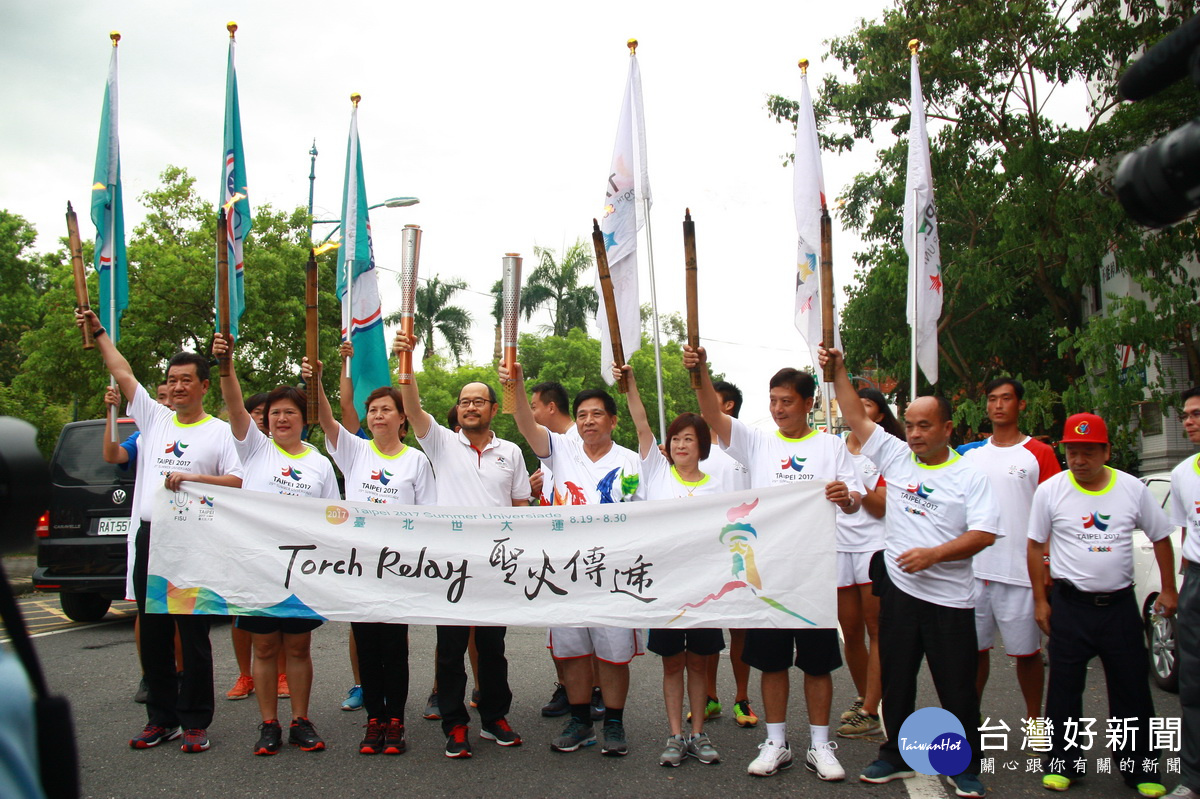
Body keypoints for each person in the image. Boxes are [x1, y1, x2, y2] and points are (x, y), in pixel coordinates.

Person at [820, 343, 999, 799]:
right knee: (897, 677)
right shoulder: (897, 456)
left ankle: (964, 765)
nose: (915, 434)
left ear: (946, 428)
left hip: (950, 599)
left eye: (925, 426)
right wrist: (839, 371)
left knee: (956, 686)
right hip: (899, 591)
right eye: (912, 425)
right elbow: (856, 417)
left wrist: (933, 555)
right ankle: (895, 755)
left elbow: (984, 534)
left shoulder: (970, 475)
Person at [684, 345, 861, 782]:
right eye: (773, 400)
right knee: (773, 663)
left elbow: (856, 500)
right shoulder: (758, 442)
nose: (778, 409)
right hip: (769, 574)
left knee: (818, 664)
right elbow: (712, 413)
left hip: (815, 574)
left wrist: (848, 498)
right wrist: (701, 372)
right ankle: (776, 741)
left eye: (787, 401)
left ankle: (820, 745)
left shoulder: (831, 446)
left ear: (808, 403)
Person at [77, 309, 243, 754]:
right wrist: (98, 331)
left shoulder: (220, 433)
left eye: (187, 379)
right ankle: (161, 719)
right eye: (172, 379)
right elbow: (122, 370)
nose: (177, 386)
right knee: (152, 631)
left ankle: (194, 721)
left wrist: (193, 481)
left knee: (192, 634)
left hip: (194, 542)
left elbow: (236, 481)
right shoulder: (154, 419)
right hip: (153, 540)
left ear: (204, 386)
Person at [1028, 412, 1177, 797]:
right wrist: (1041, 601)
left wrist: (1169, 591)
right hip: (1070, 604)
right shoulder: (1051, 490)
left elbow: (1161, 537)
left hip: (1119, 607)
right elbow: (1034, 545)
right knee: (1063, 690)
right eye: (1072, 452)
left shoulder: (1132, 489)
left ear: (1106, 451)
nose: (1079, 460)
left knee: (1132, 692)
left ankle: (1140, 768)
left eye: (1088, 452)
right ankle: (1064, 764)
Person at [395, 331, 528, 759]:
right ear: (458, 409)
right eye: (465, 401)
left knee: (493, 649)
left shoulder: (511, 452)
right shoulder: (440, 442)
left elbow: (521, 507)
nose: (471, 406)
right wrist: (407, 361)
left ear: (493, 408)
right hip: (450, 566)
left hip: (494, 565)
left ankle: (494, 717)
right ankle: (454, 724)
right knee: (450, 650)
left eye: (479, 401)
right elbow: (412, 407)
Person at [501, 359, 643, 757]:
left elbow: (647, 514)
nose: (588, 421)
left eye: (597, 414)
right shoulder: (558, 450)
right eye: (582, 415)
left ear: (613, 420)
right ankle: (580, 721)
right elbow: (527, 422)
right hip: (564, 571)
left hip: (613, 572)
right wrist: (516, 380)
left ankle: (613, 724)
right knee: (574, 652)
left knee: (613, 656)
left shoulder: (631, 461)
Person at [304, 353, 436, 756]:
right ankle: (373, 719)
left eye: (386, 409)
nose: (378, 415)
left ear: (402, 418)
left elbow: (427, 517)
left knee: (395, 647)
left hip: (398, 570)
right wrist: (319, 382)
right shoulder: (355, 453)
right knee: (367, 643)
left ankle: (395, 720)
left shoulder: (416, 461)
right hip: (358, 567)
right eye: (372, 410)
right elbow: (327, 420)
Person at [213, 335, 338, 755]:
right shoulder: (253, 451)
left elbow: (335, 518)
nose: (281, 419)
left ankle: (301, 720)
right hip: (258, 568)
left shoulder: (319, 463)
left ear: (305, 418)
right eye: (274, 413)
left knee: (299, 646)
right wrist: (226, 366)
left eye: (290, 412)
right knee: (264, 646)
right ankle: (269, 724)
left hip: (303, 570)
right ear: (264, 421)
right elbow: (233, 403)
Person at [619, 363, 723, 767]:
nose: (681, 445)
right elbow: (641, 423)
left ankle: (699, 733)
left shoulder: (716, 485)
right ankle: (675, 735)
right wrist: (629, 386)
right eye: (676, 438)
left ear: (702, 446)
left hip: (705, 588)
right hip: (665, 585)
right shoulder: (657, 472)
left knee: (699, 662)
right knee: (672, 664)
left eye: (690, 439)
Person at [956, 378, 1060, 725]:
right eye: (992, 399)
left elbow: (1053, 514)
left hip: (1020, 571)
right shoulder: (969, 454)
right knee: (974, 653)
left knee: (1027, 653)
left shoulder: (1039, 454)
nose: (998, 405)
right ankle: (972, 722)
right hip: (975, 571)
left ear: (1021, 406)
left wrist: (1046, 564)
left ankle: (1035, 722)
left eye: (1006, 399)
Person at [529, 380, 605, 724]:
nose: (531, 412)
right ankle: (569, 689)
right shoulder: (550, 448)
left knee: (587, 625)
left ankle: (595, 692)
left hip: (587, 553)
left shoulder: (578, 441)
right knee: (561, 628)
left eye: (534, 406)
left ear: (550, 407)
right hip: (553, 550)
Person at [103, 384, 181, 705]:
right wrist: (110, 413)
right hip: (145, 530)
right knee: (145, 609)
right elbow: (113, 455)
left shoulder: (198, 434)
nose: (165, 402)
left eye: (167, 397)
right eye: (159, 397)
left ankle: (181, 674)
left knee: (181, 608)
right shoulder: (143, 436)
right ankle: (150, 674)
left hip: (183, 533)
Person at [834, 387, 899, 739]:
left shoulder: (887, 452)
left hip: (874, 546)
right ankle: (864, 699)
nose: (855, 410)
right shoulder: (834, 447)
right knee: (851, 631)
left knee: (877, 629)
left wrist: (855, 492)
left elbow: (883, 506)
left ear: (879, 413)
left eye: (866, 405)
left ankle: (874, 706)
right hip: (839, 547)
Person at [695, 379, 757, 729]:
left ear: (728, 406)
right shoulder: (697, 448)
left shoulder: (745, 445)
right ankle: (710, 697)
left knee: (740, 630)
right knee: (706, 628)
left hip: (741, 548)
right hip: (705, 552)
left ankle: (742, 697)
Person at [227, 390, 289, 704]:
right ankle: (245, 675)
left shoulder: (308, 458)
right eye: (262, 412)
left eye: (280, 411)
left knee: (283, 626)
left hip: (289, 557)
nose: (269, 418)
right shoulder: (247, 447)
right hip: (248, 551)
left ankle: (282, 675)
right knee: (244, 618)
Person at [1168, 387, 1200, 799]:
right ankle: (1193, 777)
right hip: (1197, 583)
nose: (1189, 421)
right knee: (1193, 685)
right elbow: (1185, 532)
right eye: (1187, 415)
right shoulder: (1182, 473)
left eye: (1196, 414)